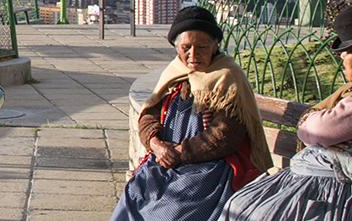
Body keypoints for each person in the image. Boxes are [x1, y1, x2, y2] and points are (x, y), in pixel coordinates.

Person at [219, 4, 352, 220]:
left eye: (347, 53)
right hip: (321, 180)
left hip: (338, 190)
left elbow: (317, 129)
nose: (341, 56)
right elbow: (315, 125)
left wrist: (315, 132)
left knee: (254, 212)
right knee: (241, 204)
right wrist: (316, 132)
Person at [110, 6, 272, 221]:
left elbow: (224, 137)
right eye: (186, 47)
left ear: (215, 45)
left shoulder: (228, 78)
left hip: (208, 168)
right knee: (134, 196)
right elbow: (148, 115)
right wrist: (156, 145)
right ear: (177, 47)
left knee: (170, 210)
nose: (193, 55)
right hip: (164, 161)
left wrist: (177, 153)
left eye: (202, 47)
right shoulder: (175, 74)